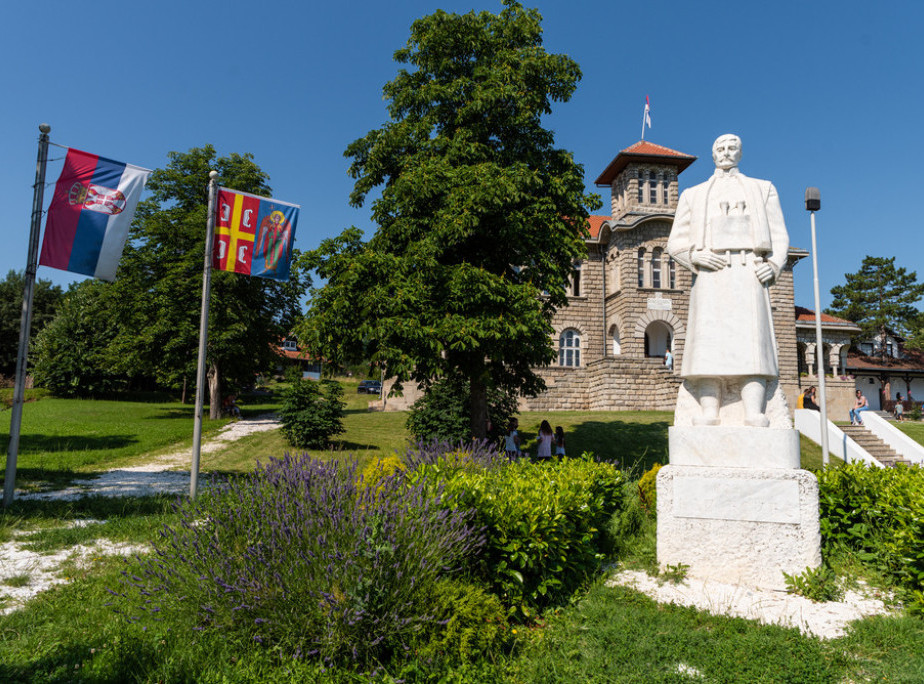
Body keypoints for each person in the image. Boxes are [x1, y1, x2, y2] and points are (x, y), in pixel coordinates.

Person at [667, 134, 789, 427]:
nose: (725, 152)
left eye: (731, 148)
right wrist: (695, 256)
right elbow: (675, 243)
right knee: (708, 343)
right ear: (713, 155)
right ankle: (710, 410)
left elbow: (780, 234)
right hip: (711, 273)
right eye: (720, 148)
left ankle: (754, 411)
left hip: (748, 270)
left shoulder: (763, 189)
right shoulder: (693, 195)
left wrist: (773, 265)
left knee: (752, 343)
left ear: (740, 153)